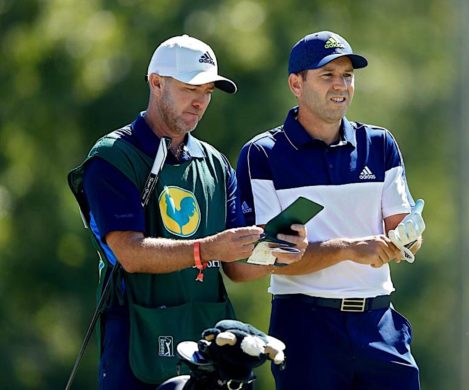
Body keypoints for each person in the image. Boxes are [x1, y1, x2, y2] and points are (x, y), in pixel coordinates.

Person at [68, 35, 306, 389]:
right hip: (138, 346)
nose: (200, 101)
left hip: (210, 347)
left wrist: (280, 254)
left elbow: (236, 267)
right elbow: (130, 253)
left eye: (208, 91)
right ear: (156, 82)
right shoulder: (113, 157)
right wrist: (208, 248)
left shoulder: (214, 163)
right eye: (190, 88)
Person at [230, 31, 426, 389]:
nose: (341, 85)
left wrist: (408, 240)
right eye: (327, 76)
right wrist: (349, 249)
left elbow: (405, 236)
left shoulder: (379, 145)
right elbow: (260, 258)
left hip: (379, 322)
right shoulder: (263, 155)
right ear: (296, 83)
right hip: (306, 326)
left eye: (347, 76)